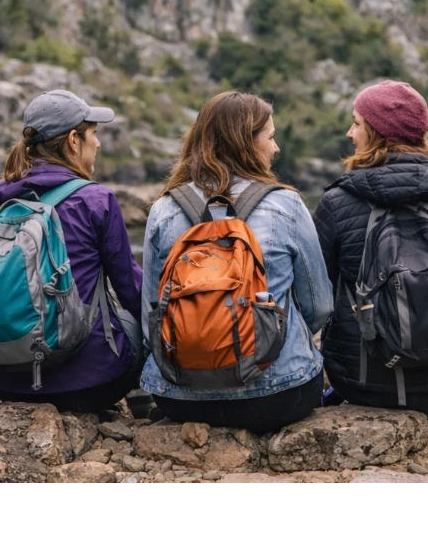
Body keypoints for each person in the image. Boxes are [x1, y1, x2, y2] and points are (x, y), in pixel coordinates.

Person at [139, 91, 334, 433]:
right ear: (247, 144)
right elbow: (318, 307)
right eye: (270, 138)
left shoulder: (164, 209)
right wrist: (270, 334)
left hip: (180, 397)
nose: (276, 148)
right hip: (278, 396)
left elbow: (151, 315)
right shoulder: (286, 205)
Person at [312, 80, 428, 418]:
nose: (349, 133)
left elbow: (318, 297)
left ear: (378, 133)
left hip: (362, 383)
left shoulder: (336, 203)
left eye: (356, 123)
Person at [0, 90, 147, 415]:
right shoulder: (95, 200)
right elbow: (132, 290)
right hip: (90, 386)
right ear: (73, 140)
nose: (98, 144)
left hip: (8, 384)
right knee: (135, 323)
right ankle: (144, 404)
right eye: (93, 134)